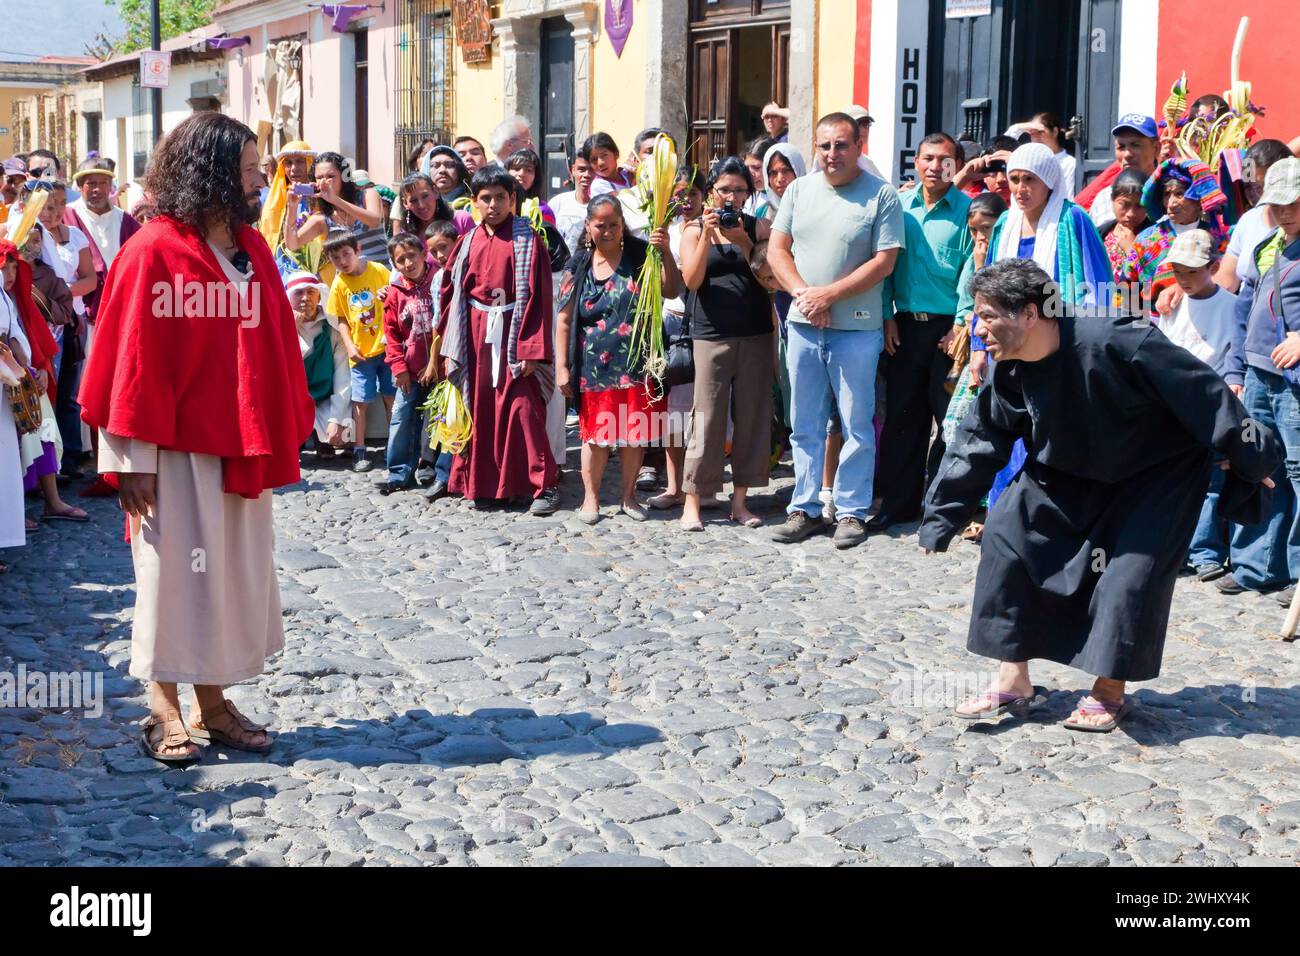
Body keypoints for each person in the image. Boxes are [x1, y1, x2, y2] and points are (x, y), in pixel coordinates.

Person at [921, 258, 1279, 731]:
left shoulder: (1118, 338)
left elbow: (1204, 392)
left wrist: (1253, 458)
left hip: (1154, 477)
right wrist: (942, 514)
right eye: (977, 315)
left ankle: (1109, 691)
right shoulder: (1008, 366)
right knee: (1008, 536)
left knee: (1127, 574)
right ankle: (1014, 680)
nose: (978, 328)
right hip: (1064, 471)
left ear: (1030, 314)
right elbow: (981, 437)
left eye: (988, 316)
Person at [79, 111, 314, 761]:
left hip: (239, 444)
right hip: (171, 450)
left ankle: (213, 704)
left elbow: (270, 349)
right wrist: (126, 457)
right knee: (172, 577)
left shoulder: (252, 248)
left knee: (227, 577)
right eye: (246, 170)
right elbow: (127, 360)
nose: (258, 180)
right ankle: (163, 707)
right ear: (211, 173)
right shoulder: (152, 249)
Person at [767, 111, 904, 548]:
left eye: (841, 145)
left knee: (856, 424)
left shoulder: (881, 196)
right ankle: (804, 508)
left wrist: (830, 296)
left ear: (858, 147)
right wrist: (807, 295)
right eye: (824, 145)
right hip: (804, 327)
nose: (832, 153)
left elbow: (884, 261)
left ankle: (851, 511)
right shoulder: (799, 191)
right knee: (803, 424)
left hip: (857, 329)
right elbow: (776, 250)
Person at [969, 143, 1112, 511]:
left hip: (1056, 345)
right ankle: (1007, 509)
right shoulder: (1004, 224)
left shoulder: (1072, 220)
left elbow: (1097, 283)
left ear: (1048, 181)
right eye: (1014, 179)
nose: (1020, 188)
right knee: (1007, 424)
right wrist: (978, 345)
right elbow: (986, 291)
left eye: (1029, 179)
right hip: (1008, 343)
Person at [438, 165, 559, 514]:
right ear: (475, 202)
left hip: (514, 332)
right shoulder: (467, 242)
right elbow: (451, 295)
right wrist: (450, 346)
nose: (493, 205)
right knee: (482, 411)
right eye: (485, 198)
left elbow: (538, 297)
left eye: (500, 198)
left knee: (523, 409)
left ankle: (542, 485)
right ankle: (488, 486)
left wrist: (531, 350)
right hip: (476, 337)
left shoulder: (528, 239)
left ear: (513, 200)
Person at [554, 194, 682, 523]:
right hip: (594, 366)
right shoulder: (578, 264)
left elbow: (671, 290)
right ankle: (591, 499)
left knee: (634, 434)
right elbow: (564, 320)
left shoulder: (642, 255)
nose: (608, 231)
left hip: (637, 364)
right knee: (595, 437)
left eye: (614, 224)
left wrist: (665, 250)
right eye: (601, 225)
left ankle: (629, 496)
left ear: (623, 224)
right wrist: (561, 367)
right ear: (588, 226)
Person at [872, 134, 973, 534]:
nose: (935, 166)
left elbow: (972, 269)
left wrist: (962, 323)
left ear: (957, 164)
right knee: (902, 420)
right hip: (903, 328)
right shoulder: (899, 208)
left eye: (945, 159)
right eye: (928, 158)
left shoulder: (968, 211)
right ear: (916, 162)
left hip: (948, 332)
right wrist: (885, 315)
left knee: (949, 422)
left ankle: (941, 508)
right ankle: (898, 505)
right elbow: (883, 263)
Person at [676, 157, 774, 532]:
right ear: (712, 192)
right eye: (724, 190)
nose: (731, 198)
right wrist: (706, 235)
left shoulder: (758, 226)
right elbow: (692, 279)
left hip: (755, 333)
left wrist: (746, 242)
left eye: (739, 190)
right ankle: (693, 501)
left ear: (749, 193)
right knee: (707, 417)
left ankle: (740, 501)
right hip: (711, 334)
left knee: (752, 416)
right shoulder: (692, 228)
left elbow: (770, 278)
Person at [1218, 157, 1300, 599]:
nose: (1284, 212)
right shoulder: (1266, 245)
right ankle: (1253, 567)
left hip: (1295, 382)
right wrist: (1235, 369)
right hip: (1256, 375)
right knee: (1257, 466)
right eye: (1277, 204)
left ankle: (1299, 575)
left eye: (1293, 204)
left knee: (1299, 471)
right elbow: (1241, 310)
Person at [1152, 230, 1241, 582]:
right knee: (1167, 477)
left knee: (1211, 480)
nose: (1184, 280)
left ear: (1214, 267)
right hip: (1170, 402)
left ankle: (1204, 550)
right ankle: (1169, 547)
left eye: (1192, 271)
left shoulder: (1232, 306)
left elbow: (1233, 356)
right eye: (1178, 272)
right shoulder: (1171, 304)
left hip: (1209, 401)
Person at [646, 164, 708, 512]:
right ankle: (673, 483)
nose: (686, 201)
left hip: (704, 326)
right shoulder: (661, 229)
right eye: (679, 195)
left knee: (700, 411)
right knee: (673, 411)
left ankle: (697, 484)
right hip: (671, 323)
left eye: (693, 194)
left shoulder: (709, 229)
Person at [323, 229, 394, 473]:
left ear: (357, 250)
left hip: (387, 348)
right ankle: (360, 448)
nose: (342, 262)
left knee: (390, 397)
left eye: (346, 254)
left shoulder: (378, 271)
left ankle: (394, 445)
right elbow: (341, 319)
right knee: (360, 401)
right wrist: (350, 345)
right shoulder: (339, 284)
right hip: (361, 353)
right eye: (336, 258)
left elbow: (394, 299)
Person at [1120, 157, 1228, 315]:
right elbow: (1126, 289)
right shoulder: (1147, 240)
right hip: (1155, 328)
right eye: (1166, 194)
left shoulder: (1217, 239)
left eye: (1180, 194)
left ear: (1198, 198)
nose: (1171, 203)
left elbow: (1226, 281)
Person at [285, 151, 389, 269]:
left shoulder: (368, 194)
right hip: (350, 286)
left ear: (344, 178)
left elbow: (374, 220)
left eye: (330, 176)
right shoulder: (323, 219)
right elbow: (292, 245)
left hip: (382, 280)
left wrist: (335, 200)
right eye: (319, 177)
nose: (324, 182)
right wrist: (292, 208)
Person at [289, 270, 352, 460]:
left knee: (342, 432)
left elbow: (343, 377)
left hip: (324, 395)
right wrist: (290, 331)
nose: (305, 298)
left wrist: (336, 419)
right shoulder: (279, 325)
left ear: (319, 295)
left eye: (311, 292)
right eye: (298, 293)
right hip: (292, 398)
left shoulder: (332, 328)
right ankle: (296, 439)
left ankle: (323, 439)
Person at [1217, 139, 1295, 293]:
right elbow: (1225, 282)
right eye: (1248, 187)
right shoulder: (1248, 220)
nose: (1254, 194)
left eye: (1262, 186)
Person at [1079, 114, 1160, 227]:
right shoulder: (1104, 198)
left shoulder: (1169, 195)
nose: (1127, 154)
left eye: (1135, 145)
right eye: (1121, 147)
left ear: (1156, 148)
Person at [256, 140, 318, 277]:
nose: (294, 168)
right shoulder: (274, 200)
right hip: (284, 272)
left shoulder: (321, 196)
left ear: (310, 164)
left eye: (300, 161)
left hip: (319, 270)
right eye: (288, 163)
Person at [1097, 168, 1150, 280]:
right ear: (1112, 200)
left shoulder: (1157, 238)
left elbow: (1151, 283)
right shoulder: (1098, 235)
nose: (1131, 214)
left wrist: (1132, 251)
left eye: (1139, 206)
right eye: (1124, 204)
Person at [1012, 112, 1077, 198]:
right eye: (1032, 133)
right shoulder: (1028, 161)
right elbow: (1002, 146)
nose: (1035, 137)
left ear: (1055, 131)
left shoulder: (1069, 163)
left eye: (1040, 132)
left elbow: (1068, 197)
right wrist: (1017, 128)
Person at [551, 152, 595, 253]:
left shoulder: (604, 206)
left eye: (592, 170)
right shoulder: (557, 203)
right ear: (573, 170)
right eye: (582, 170)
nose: (587, 175)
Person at [424, 145, 472, 209]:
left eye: (449, 165)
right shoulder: (421, 207)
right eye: (435, 165)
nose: (442, 170)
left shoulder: (473, 204)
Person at [742, 137, 776, 218]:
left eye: (756, 168)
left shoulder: (782, 201)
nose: (750, 173)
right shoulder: (747, 196)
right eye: (747, 168)